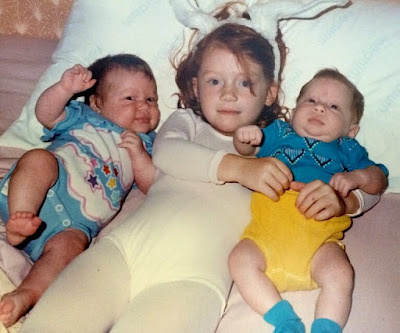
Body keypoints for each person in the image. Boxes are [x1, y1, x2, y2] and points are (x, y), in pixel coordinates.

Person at [19, 7, 378, 333]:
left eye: (245, 82)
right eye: (214, 81)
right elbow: (168, 154)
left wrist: (346, 201)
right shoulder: (187, 123)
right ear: (195, 86)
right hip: (122, 251)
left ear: (270, 93)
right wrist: (238, 168)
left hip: (195, 279)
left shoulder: (281, 145)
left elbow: (373, 183)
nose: (227, 95)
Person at [0, 54, 160, 327]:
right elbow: (46, 114)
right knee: (38, 159)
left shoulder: (147, 144)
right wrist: (64, 89)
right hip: (45, 188)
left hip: (75, 227)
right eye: (130, 98)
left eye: (151, 99)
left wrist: (138, 156)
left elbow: (150, 185)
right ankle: (19, 219)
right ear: (97, 103)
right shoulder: (83, 117)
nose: (143, 107)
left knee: (72, 250)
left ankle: (25, 295)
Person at [228, 68, 388, 333]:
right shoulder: (278, 132)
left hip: (319, 242)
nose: (320, 108)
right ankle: (284, 321)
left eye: (334, 106)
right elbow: (247, 151)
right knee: (239, 259)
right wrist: (244, 139)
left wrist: (357, 177)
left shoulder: (347, 149)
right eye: (311, 101)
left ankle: (326, 328)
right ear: (292, 112)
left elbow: (379, 178)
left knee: (340, 274)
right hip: (265, 236)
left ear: (351, 130)